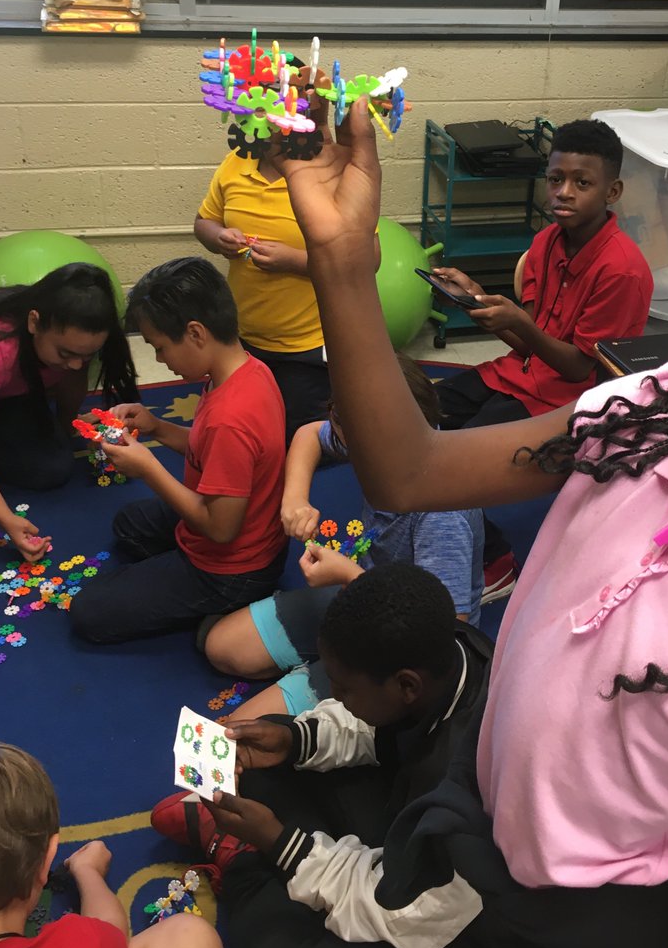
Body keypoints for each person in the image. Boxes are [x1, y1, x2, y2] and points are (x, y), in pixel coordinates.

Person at [261, 98, 668, 948]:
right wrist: (339, 261)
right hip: (482, 781)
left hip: (557, 913)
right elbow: (407, 470)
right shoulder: (651, 415)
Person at [151, 564, 494, 948]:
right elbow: (377, 726)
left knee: (271, 936)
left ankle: (245, 865)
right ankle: (259, 845)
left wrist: (278, 842)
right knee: (268, 751)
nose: (332, 694)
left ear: (406, 685)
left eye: (343, 687)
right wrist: (294, 739)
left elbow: (402, 914)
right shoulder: (454, 650)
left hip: (442, 918)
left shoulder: (469, 804)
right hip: (410, 817)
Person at [431, 119, 653, 600]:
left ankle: (496, 560)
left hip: (569, 402)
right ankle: (438, 533)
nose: (564, 193)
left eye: (582, 182)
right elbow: (528, 347)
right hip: (518, 377)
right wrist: (476, 299)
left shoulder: (622, 270)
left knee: (454, 461)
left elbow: (578, 369)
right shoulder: (545, 244)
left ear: (611, 190)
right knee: (420, 411)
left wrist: (521, 324)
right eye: (556, 180)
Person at [201, 354, 484, 714]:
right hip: (363, 594)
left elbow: (443, 635)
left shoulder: (442, 515)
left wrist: (349, 576)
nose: (340, 440)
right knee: (222, 648)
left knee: (243, 729)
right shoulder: (380, 437)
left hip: (404, 646)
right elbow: (309, 435)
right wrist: (295, 501)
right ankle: (321, 664)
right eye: (337, 422)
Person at [69, 257, 287, 644]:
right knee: (128, 523)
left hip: (232, 568)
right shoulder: (248, 371)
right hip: (249, 526)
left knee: (89, 612)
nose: (159, 360)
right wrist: (157, 427)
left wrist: (149, 468)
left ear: (196, 333)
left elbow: (221, 529)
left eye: (161, 347)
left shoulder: (230, 417)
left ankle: (231, 605)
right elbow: (213, 453)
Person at [0, 739, 222, 948]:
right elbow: (109, 930)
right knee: (189, 933)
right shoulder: (79, 942)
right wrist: (87, 871)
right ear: (47, 858)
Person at [0, 263, 137, 562]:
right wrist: (5, 519)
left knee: (53, 466)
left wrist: (66, 427)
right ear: (34, 322)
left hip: (4, 398)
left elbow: (72, 383)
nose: (77, 365)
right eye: (65, 354)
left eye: (86, 356)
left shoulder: (75, 337)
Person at [194, 111, 332, 445]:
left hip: (306, 346)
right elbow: (203, 222)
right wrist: (219, 237)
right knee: (232, 434)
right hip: (240, 339)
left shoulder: (328, 174)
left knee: (300, 443)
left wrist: (295, 261)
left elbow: (366, 260)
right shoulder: (236, 161)